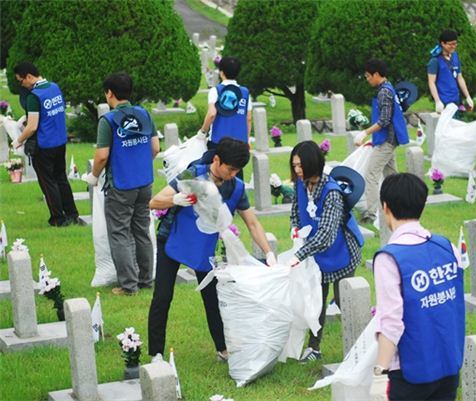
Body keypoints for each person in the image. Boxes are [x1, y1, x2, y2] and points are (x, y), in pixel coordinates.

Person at [147, 137, 275, 363]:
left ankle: (223, 349)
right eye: (231, 168)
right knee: (163, 297)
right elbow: (155, 201)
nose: (234, 174)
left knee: (213, 298)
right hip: (173, 239)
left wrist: (269, 253)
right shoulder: (193, 173)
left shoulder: (235, 187)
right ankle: (156, 353)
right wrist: (176, 199)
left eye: (238, 170)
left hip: (203, 246)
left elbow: (252, 223)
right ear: (216, 159)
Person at [372, 173, 465, 401]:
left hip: (409, 373)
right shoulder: (447, 247)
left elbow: (391, 321)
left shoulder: (389, 258)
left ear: (386, 207)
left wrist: (379, 373)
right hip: (447, 364)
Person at [288, 140, 364, 363]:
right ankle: (314, 347)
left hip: (340, 254)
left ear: (313, 164)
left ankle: (364, 341)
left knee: (345, 301)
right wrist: (295, 229)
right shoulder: (300, 185)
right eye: (294, 166)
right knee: (316, 300)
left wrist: (298, 255)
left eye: (301, 166)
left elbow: (327, 236)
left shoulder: (332, 193)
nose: (297, 171)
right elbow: (295, 211)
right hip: (316, 256)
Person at [85, 72, 160, 296]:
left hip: (121, 185)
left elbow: (101, 156)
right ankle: (146, 280)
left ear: (109, 93)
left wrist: (93, 176)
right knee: (142, 231)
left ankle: (129, 286)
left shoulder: (108, 120)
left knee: (119, 234)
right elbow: (155, 148)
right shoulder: (144, 114)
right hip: (144, 182)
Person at [13, 61, 79, 227]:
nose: (22, 85)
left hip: (44, 145)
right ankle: (72, 214)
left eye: (21, 81)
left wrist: (18, 140)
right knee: (61, 178)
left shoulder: (34, 96)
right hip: (59, 141)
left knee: (48, 183)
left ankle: (58, 219)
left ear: (29, 76)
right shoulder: (54, 87)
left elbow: (33, 126)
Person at [354, 59, 409, 225]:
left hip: (386, 140)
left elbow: (384, 120)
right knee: (392, 177)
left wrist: (364, 133)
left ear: (376, 74)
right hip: (389, 139)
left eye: (368, 76)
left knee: (371, 175)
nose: (367, 79)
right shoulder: (388, 88)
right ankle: (402, 208)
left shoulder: (384, 92)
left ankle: (371, 215)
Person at [199, 56, 252, 150]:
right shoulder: (245, 92)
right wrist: (247, 140)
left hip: (218, 141)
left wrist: (203, 132)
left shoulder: (216, 91)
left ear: (221, 72)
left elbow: (212, 114)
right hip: (240, 143)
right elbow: (248, 118)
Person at [427, 29, 473, 114]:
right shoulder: (435, 61)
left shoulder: (455, 56)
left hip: (456, 100)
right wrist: (437, 101)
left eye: (455, 43)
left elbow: (460, 78)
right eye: (450, 44)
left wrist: (468, 96)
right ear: (443, 43)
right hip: (444, 101)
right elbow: (431, 82)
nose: (453, 46)